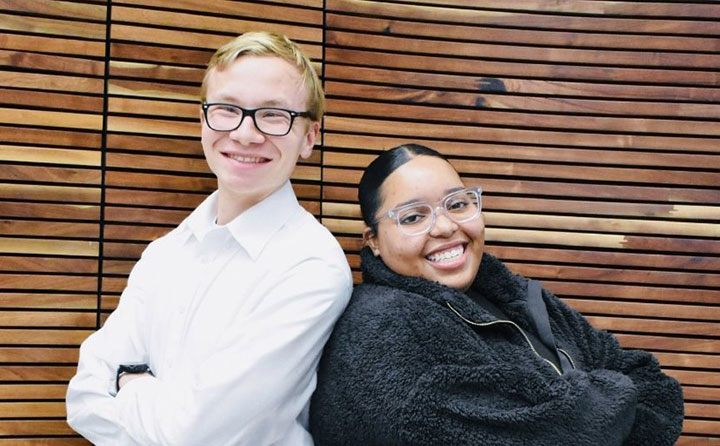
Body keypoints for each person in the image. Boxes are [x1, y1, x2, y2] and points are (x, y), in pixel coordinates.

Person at [66, 31, 352, 445]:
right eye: (227, 109)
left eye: (273, 115)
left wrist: (131, 385)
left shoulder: (311, 266)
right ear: (203, 120)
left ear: (309, 137)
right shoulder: (165, 253)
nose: (245, 134)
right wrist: (162, 407)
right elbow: (83, 398)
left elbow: (196, 436)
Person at [310, 144, 684, 445]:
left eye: (457, 204)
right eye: (413, 217)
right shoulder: (381, 328)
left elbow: (657, 389)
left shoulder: (515, 296)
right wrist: (615, 399)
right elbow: (560, 432)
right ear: (373, 241)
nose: (444, 226)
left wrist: (592, 409)